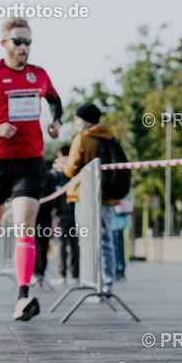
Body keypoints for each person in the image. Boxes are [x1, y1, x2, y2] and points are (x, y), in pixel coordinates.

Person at [0, 17, 62, 321]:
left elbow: (55, 101)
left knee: (24, 226)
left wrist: (57, 122)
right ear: (4, 43)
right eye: (17, 41)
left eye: (27, 41)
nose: (23, 47)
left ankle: (22, 297)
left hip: (30, 160)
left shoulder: (39, 75)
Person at [64, 103, 119, 293]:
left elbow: (72, 168)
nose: (75, 122)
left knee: (87, 239)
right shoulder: (110, 136)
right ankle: (106, 283)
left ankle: (92, 281)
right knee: (106, 240)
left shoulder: (82, 139)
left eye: (76, 118)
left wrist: (62, 165)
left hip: (85, 196)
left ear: (83, 120)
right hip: (107, 195)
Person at [43, 145, 79, 285]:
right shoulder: (69, 172)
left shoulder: (61, 174)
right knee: (69, 244)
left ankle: (63, 274)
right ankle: (72, 274)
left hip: (63, 214)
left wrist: (57, 169)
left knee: (65, 245)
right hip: (66, 213)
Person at [113, 191, 134, 281]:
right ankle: (121, 270)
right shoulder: (127, 187)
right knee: (120, 246)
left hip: (115, 221)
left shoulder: (116, 184)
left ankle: (118, 269)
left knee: (116, 247)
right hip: (122, 220)